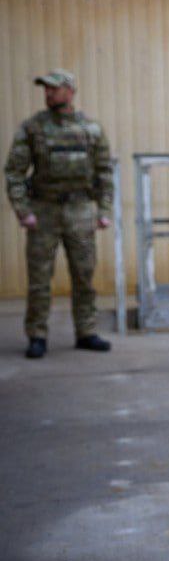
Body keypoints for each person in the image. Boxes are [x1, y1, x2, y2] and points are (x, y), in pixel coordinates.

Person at [4, 68, 113, 359]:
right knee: (39, 278)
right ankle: (37, 335)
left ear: (70, 91)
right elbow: (14, 172)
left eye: (54, 88)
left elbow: (104, 172)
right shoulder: (32, 129)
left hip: (80, 210)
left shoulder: (91, 129)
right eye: (46, 89)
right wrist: (22, 210)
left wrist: (103, 210)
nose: (48, 93)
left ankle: (86, 331)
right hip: (44, 211)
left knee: (84, 274)